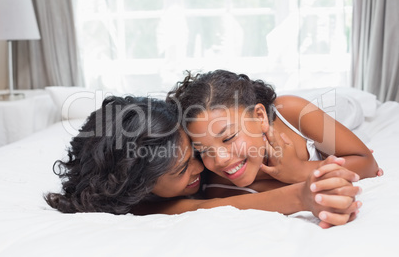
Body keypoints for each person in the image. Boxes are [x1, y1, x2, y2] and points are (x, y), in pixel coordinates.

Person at [45, 95, 361, 228]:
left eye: (192, 153)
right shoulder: (143, 202)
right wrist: (304, 196)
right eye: (183, 169)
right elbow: (201, 209)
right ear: (142, 188)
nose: (202, 167)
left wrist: (300, 170)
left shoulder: (225, 139)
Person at [166, 69, 379, 199]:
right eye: (204, 150)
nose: (220, 160)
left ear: (259, 117)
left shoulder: (292, 112)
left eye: (229, 138)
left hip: (333, 112)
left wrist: (300, 170)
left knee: (355, 109)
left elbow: (368, 163)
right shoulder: (218, 187)